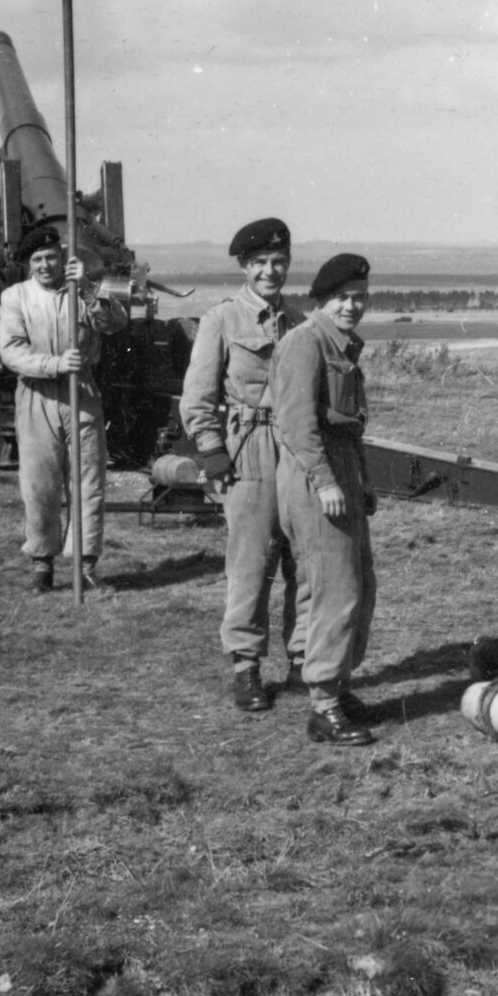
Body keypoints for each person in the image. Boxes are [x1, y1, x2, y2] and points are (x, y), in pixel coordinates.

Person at [179, 217, 312, 714]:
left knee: (306, 559)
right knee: (252, 563)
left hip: (297, 449)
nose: (270, 272)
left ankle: (304, 662)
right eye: (260, 263)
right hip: (249, 448)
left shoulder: (300, 322)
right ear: (244, 266)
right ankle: (246, 667)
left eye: (279, 262)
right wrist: (212, 452)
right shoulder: (222, 320)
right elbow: (197, 398)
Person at [270, 254, 379, 745]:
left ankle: (336, 683)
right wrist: (326, 482)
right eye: (342, 298)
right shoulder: (305, 342)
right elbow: (295, 424)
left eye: (359, 296)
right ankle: (324, 706)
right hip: (315, 475)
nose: (351, 305)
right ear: (321, 300)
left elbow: (350, 424)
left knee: (354, 581)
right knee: (337, 588)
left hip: (342, 470)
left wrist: (362, 480)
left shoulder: (344, 345)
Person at [0, 218, 127, 592]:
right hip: (38, 396)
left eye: (51, 258)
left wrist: (86, 288)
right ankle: (42, 564)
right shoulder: (15, 297)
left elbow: (115, 323)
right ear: (28, 264)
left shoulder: (82, 291)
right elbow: (11, 351)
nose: (44, 266)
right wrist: (54, 364)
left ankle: (85, 563)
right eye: (37, 259)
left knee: (88, 482)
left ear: (62, 258)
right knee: (40, 485)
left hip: (81, 396)